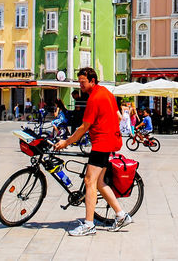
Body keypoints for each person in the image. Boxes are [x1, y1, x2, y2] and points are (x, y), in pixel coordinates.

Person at [55, 67, 130, 236]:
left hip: (102, 143)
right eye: (79, 81)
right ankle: (121, 215)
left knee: (89, 181)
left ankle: (89, 225)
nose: (80, 85)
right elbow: (118, 117)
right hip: (109, 140)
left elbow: (83, 127)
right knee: (99, 182)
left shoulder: (94, 99)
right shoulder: (107, 92)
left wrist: (66, 142)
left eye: (82, 82)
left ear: (92, 81)